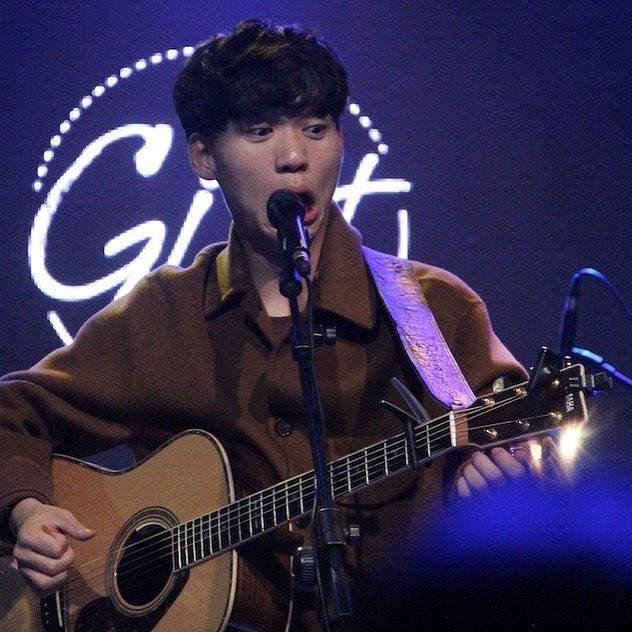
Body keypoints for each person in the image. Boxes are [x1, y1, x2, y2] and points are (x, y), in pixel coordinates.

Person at [0, 18, 559, 631]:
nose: (295, 158)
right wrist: (26, 509)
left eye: (316, 128)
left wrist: (513, 477)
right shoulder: (161, 316)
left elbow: (535, 463)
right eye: (260, 131)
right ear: (203, 156)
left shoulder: (431, 309)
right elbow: (11, 414)